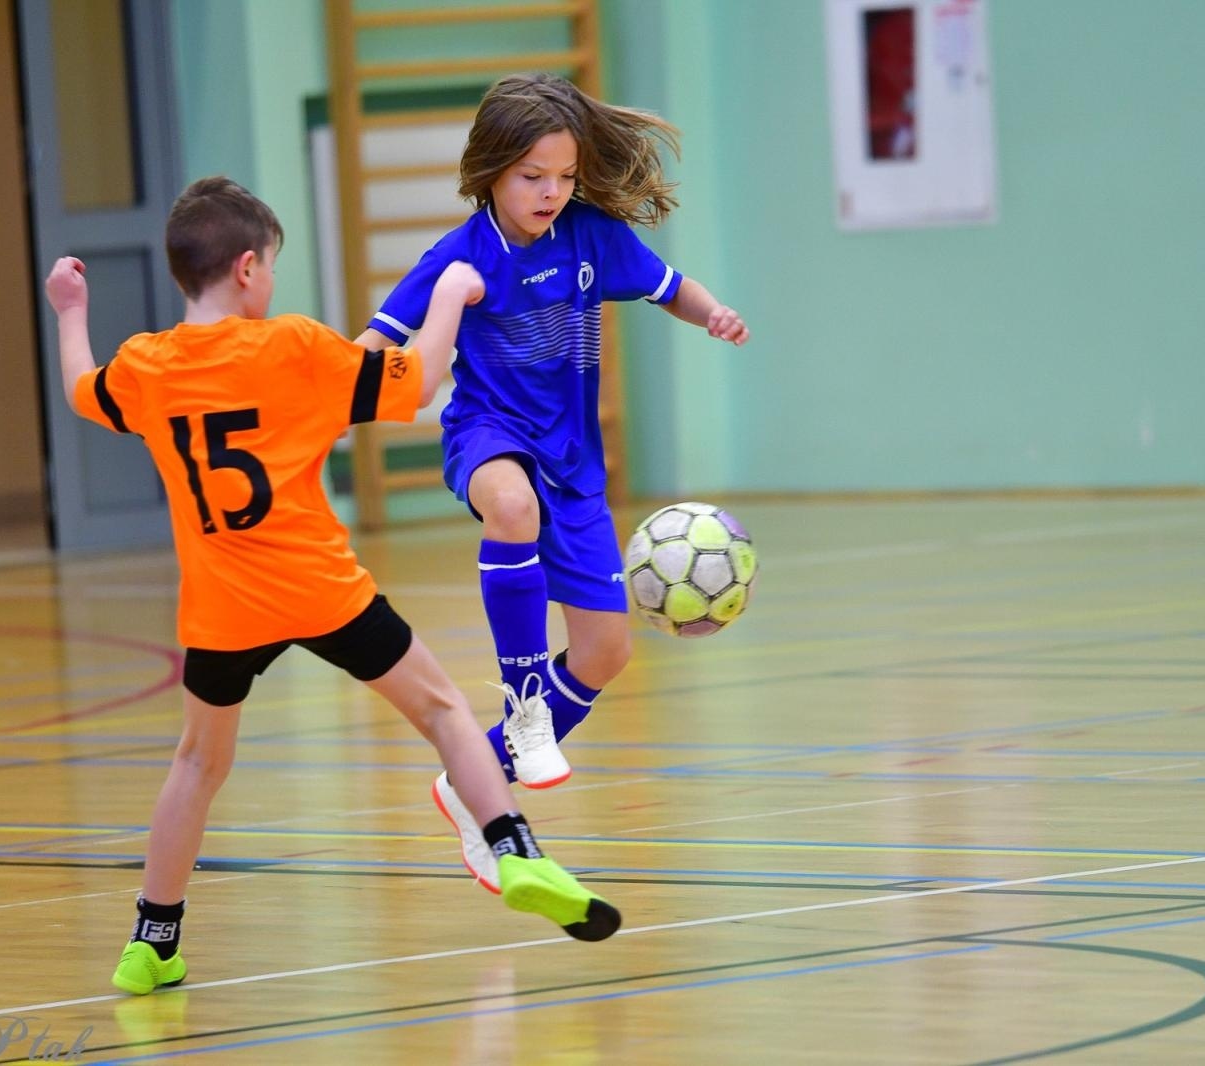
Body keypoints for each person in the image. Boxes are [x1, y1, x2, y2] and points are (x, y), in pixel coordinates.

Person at [42, 176, 621, 997]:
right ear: (247, 269)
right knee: (445, 711)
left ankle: (152, 940)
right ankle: (515, 850)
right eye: (271, 264)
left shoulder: (146, 366)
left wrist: (70, 310)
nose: (271, 280)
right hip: (321, 589)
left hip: (220, 607)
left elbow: (80, 387)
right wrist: (452, 292)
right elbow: (417, 384)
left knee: (198, 764)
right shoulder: (293, 348)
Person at [352, 74, 748, 892]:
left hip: (575, 466)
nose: (551, 191)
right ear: (492, 170)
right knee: (510, 504)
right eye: (534, 175)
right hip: (489, 435)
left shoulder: (591, 239)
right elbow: (372, 344)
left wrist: (713, 314)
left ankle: (476, 782)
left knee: (606, 652)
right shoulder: (457, 260)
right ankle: (526, 704)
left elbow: (669, 288)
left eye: (564, 177)